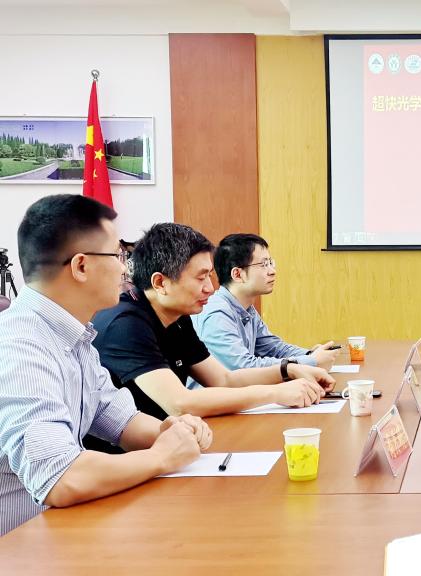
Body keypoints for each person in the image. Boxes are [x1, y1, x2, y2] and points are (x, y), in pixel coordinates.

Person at [0, 195, 211, 536]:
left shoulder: (75, 334)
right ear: (81, 266)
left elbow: (121, 420)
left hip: (62, 530)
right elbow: (61, 479)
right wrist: (161, 457)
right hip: (19, 546)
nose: (125, 268)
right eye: (117, 255)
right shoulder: (19, 345)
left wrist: (172, 431)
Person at [92, 223, 333, 422]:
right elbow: (180, 404)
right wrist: (276, 393)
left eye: (210, 275)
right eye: (200, 278)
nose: (210, 288)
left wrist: (288, 370)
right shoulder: (126, 324)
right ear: (160, 283)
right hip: (125, 453)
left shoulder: (178, 316)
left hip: (173, 436)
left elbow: (223, 379)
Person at [192, 233, 340, 375]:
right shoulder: (217, 314)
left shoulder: (246, 309)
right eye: (264, 264)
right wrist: (311, 360)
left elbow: (273, 348)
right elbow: (243, 367)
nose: (272, 271)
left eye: (270, 263)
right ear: (237, 274)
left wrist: (310, 354)